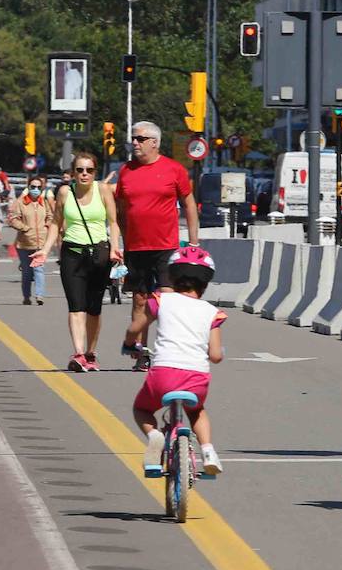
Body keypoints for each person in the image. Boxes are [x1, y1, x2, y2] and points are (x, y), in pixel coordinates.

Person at [133, 246, 227, 478]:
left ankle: (155, 436)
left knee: (142, 408)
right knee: (196, 412)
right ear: (205, 283)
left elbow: (136, 327)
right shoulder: (212, 312)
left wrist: (129, 342)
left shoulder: (161, 300)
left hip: (162, 375)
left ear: (172, 277)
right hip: (196, 378)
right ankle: (208, 451)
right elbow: (215, 356)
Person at [116, 121, 199, 371]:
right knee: (140, 301)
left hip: (166, 247)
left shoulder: (174, 169)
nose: (135, 143)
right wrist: (124, 236)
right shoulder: (125, 171)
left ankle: (168, 353)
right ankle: (142, 354)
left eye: (140, 139)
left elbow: (190, 205)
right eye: (133, 138)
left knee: (166, 301)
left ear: (154, 142)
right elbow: (120, 210)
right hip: (136, 248)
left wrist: (194, 242)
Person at [30, 151, 124, 372]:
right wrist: (44, 250)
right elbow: (55, 223)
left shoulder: (102, 190)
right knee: (76, 306)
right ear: (73, 173)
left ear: (95, 172)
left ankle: (91, 353)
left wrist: (115, 247)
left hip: (99, 254)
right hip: (72, 253)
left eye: (89, 170)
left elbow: (113, 222)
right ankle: (79, 353)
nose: (84, 174)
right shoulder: (65, 192)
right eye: (80, 170)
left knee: (94, 309)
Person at [8, 173, 51, 305]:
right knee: (27, 272)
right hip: (24, 243)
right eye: (33, 186)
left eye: (39, 187)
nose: (36, 189)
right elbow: (13, 219)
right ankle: (26, 296)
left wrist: (47, 225)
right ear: (28, 187)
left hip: (40, 243)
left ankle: (39, 296)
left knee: (39, 269)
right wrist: (24, 228)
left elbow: (50, 216)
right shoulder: (20, 203)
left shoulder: (44, 202)